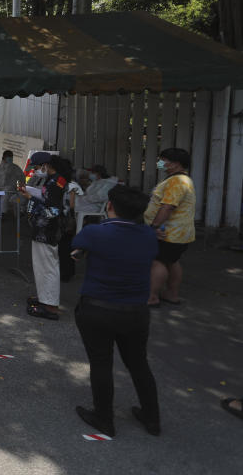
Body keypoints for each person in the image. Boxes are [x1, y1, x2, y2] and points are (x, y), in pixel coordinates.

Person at [70, 185, 160, 438]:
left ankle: (104, 418)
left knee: (101, 363)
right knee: (138, 363)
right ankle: (152, 419)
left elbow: (76, 249)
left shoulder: (94, 232)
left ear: (109, 206)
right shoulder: (149, 236)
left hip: (97, 309)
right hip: (136, 311)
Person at [19, 152, 68, 320]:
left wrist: (30, 196)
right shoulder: (54, 180)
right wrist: (33, 193)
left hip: (47, 231)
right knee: (42, 266)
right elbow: (48, 198)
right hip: (44, 230)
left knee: (47, 267)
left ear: (47, 165)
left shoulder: (56, 183)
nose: (36, 171)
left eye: (38, 167)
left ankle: (51, 307)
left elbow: (53, 210)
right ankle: (44, 298)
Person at [145, 148, 196, 306]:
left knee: (157, 262)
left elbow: (167, 207)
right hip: (177, 232)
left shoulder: (177, 181)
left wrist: (153, 227)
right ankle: (171, 294)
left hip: (167, 232)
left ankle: (152, 297)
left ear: (175, 164)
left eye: (163, 159)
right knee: (171, 261)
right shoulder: (180, 180)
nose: (160, 163)